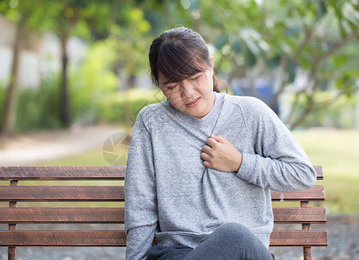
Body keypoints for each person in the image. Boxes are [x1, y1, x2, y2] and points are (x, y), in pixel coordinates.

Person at [124, 27, 316, 260]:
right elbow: (140, 203)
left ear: (211, 66)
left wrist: (240, 163)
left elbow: (303, 174)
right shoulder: (152, 121)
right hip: (180, 254)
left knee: (233, 235)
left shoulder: (250, 113)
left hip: (244, 254)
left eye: (195, 78)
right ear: (159, 85)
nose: (188, 93)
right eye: (172, 87)